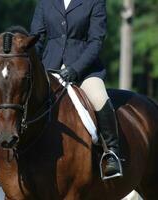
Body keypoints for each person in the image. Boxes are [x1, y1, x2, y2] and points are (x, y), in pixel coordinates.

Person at [30, 0, 122, 179]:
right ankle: (14, 156)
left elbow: (96, 41)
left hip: (84, 70)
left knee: (98, 97)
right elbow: (36, 39)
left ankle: (111, 153)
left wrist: (76, 68)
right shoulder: (45, 2)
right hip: (49, 67)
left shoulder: (94, 2)